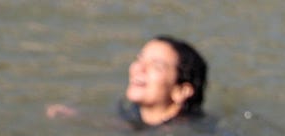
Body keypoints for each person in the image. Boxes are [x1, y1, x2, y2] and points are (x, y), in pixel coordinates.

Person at [46, 35, 209, 130]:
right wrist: (77, 117)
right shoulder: (131, 117)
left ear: (181, 91)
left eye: (156, 66)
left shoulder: (189, 135)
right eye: (139, 59)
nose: (139, 68)